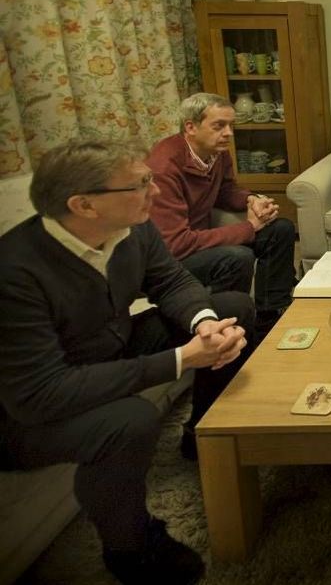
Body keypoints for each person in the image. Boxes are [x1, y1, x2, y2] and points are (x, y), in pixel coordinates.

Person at [0, 140, 254, 584]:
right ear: (84, 205)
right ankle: (130, 549)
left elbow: (171, 280)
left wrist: (204, 324)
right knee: (130, 420)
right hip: (25, 411)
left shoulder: (134, 228)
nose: (154, 192)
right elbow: (39, 394)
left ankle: (203, 433)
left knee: (233, 307)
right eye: (139, 184)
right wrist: (180, 359)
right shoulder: (15, 271)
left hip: (107, 350)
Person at [147, 92, 296, 336]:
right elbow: (175, 244)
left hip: (199, 236)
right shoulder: (164, 167)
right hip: (173, 255)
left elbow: (225, 190)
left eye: (230, 125)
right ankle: (224, 327)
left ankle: (269, 317)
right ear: (190, 127)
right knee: (237, 257)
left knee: (280, 229)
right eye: (219, 126)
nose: (229, 133)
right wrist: (248, 228)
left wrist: (252, 199)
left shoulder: (217, 151)